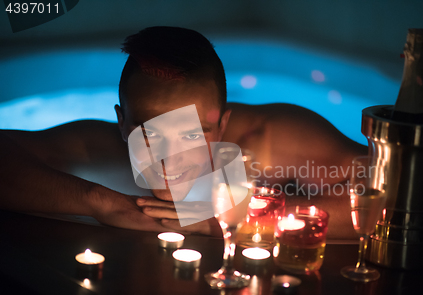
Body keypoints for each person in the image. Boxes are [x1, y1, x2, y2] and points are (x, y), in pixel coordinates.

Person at [0, 26, 365, 239]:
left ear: (222, 125)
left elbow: (392, 194)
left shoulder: (271, 139)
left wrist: (231, 219)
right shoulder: (102, 146)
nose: (168, 158)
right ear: (122, 123)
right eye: (150, 134)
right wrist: (102, 202)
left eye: (192, 135)